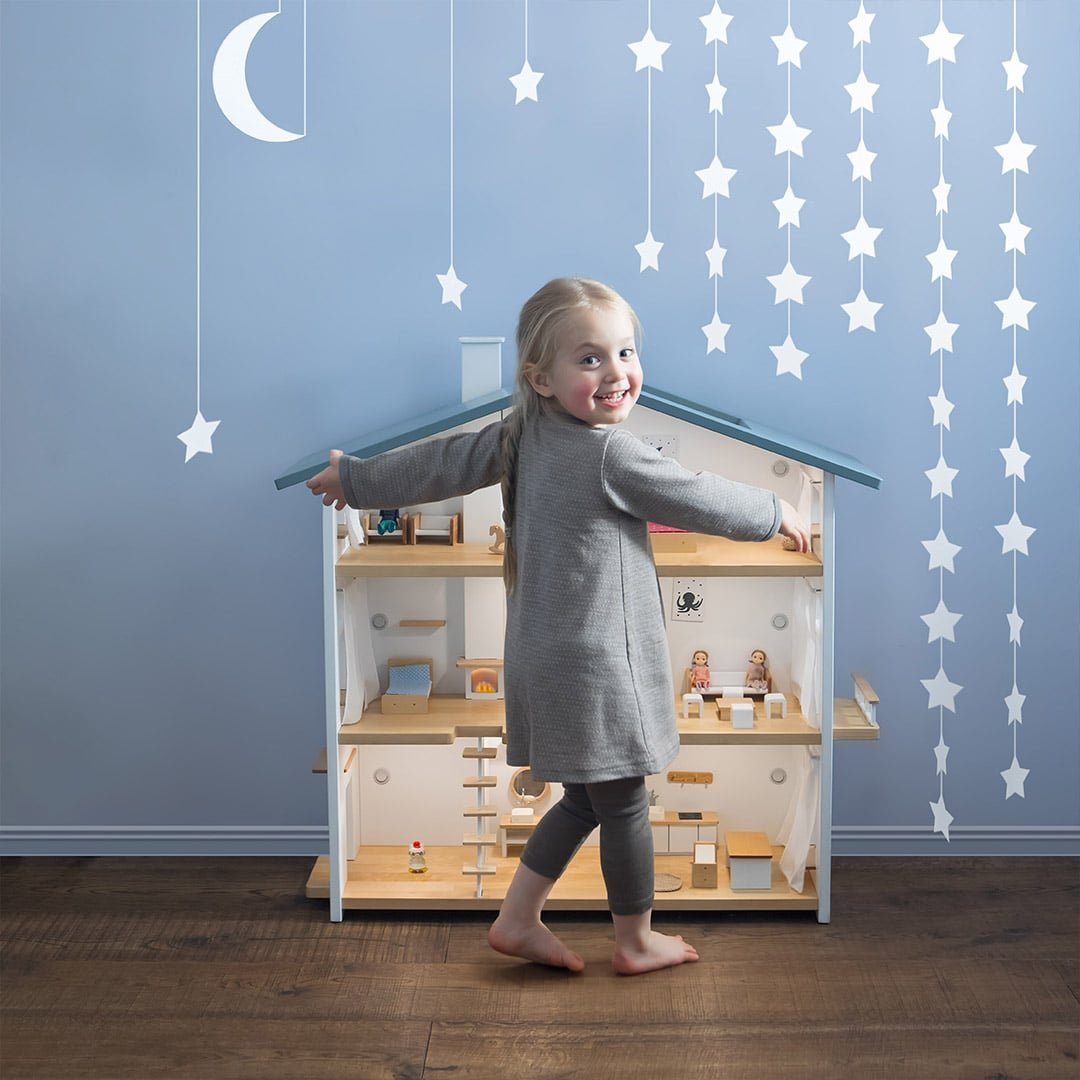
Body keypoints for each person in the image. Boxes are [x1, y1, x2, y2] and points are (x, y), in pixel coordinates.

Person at [306, 277, 811, 975]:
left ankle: (516, 920)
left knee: (585, 797)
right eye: (590, 359)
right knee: (626, 797)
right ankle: (635, 940)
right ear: (540, 378)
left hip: (546, 651)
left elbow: (441, 463)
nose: (617, 374)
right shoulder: (611, 452)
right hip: (596, 661)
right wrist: (773, 511)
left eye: (626, 352)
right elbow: (695, 495)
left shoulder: (521, 433)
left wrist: (357, 481)